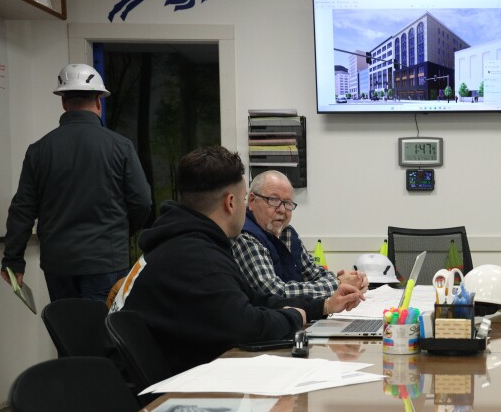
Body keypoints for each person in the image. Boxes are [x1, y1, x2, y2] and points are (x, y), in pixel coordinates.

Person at [111, 146, 363, 373]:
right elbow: (246, 326)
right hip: (155, 402)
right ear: (231, 203)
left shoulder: (194, 243)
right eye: (244, 199)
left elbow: (254, 300)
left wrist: (323, 306)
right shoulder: (194, 257)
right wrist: (295, 317)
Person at [1, 63, 152, 302]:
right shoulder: (120, 147)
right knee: (104, 334)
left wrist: (13, 260)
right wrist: (118, 230)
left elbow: (22, 210)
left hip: (58, 264)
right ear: (99, 102)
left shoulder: (38, 151)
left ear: (63, 102)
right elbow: (142, 202)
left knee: (67, 332)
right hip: (106, 260)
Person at [232, 170, 368, 299]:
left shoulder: (287, 234)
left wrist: (347, 280)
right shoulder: (245, 236)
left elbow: (315, 274)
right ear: (251, 201)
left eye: (287, 203)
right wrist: (338, 284)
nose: (282, 209)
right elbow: (275, 292)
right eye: (273, 200)